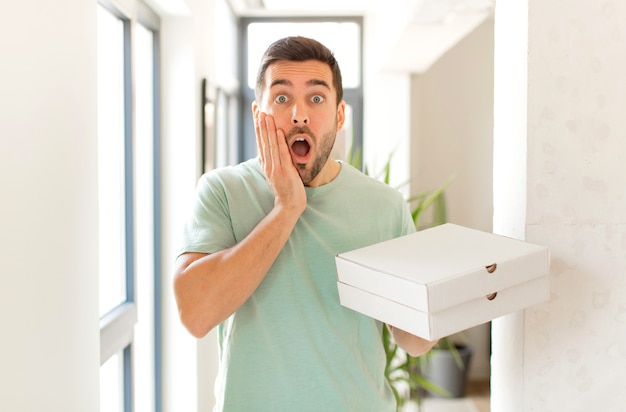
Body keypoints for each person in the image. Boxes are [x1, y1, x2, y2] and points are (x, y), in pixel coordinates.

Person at [173, 36, 437, 411]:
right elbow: (196, 316)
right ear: (257, 114)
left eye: (316, 98)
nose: (299, 113)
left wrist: (445, 306)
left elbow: (413, 340)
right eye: (281, 98)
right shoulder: (222, 191)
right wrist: (286, 208)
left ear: (339, 115)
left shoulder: (384, 206)